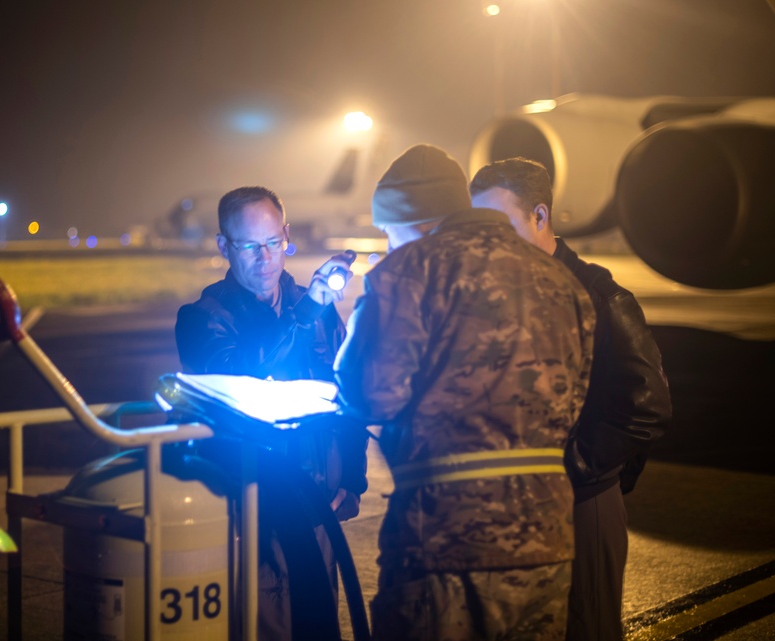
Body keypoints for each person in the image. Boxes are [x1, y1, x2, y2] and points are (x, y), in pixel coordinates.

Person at [334, 144, 596, 641]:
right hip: (547, 540)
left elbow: (368, 395)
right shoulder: (562, 281)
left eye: (389, 232)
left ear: (417, 221)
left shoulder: (408, 273)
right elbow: (573, 400)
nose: (388, 246)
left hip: (445, 541)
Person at [469, 157, 672, 641]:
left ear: (540, 215)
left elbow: (646, 406)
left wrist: (571, 468)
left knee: (586, 624)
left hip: (581, 500)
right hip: (511, 505)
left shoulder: (603, 296)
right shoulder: (492, 292)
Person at [175, 185, 368, 640]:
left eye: (272, 243)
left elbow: (349, 397)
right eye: (248, 246)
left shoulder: (316, 310)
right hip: (249, 514)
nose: (264, 258)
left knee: (320, 625)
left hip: (318, 506)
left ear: (286, 235)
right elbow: (244, 377)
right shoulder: (202, 318)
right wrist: (305, 313)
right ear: (224, 246)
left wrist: (353, 482)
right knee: (264, 627)